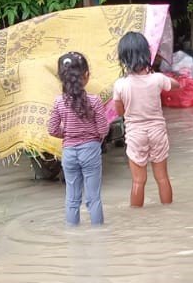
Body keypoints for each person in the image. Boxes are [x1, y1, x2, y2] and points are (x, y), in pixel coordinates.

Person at [111, 31, 178, 207]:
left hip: (135, 134)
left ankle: (136, 220)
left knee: (138, 181)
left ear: (123, 59)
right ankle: (169, 213)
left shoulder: (120, 85)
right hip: (157, 132)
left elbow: (119, 112)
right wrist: (161, 76)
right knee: (162, 178)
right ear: (147, 54)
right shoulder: (157, 79)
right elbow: (176, 86)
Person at [47, 51, 111, 226]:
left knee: (72, 198)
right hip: (91, 150)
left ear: (61, 78)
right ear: (87, 76)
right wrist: (94, 137)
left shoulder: (59, 102)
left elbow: (52, 129)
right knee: (93, 198)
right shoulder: (95, 101)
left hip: (69, 153)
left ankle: (72, 236)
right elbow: (103, 128)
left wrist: (67, 133)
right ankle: (98, 235)